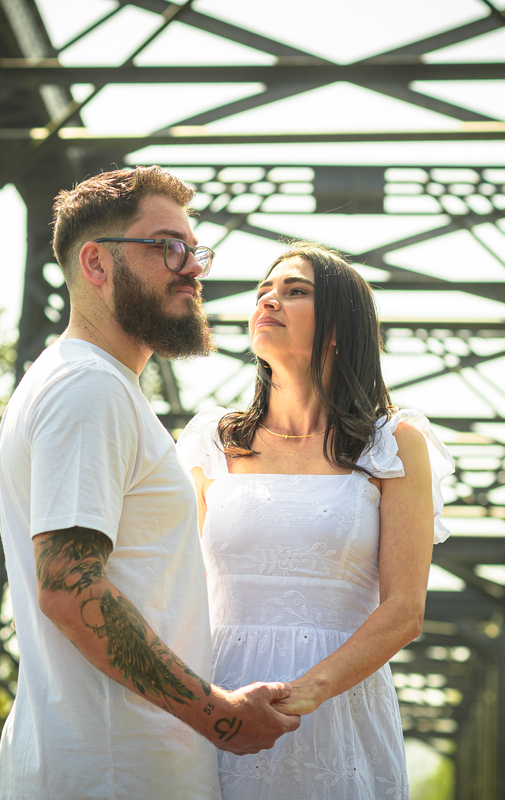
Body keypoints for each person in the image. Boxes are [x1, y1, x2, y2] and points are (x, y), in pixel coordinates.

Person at [0, 166, 300, 800]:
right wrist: (217, 713)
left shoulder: (86, 383)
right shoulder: (89, 388)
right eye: (168, 248)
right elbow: (70, 588)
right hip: (113, 772)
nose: (192, 269)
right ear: (96, 264)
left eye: (195, 251)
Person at [176, 243, 455, 799]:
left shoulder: (393, 444)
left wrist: (307, 692)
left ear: (339, 329)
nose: (267, 300)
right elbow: (180, 587)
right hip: (222, 700)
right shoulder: (212, 440)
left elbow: (405, 610)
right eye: (263, 291)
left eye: (295, 291)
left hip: (337, 706)